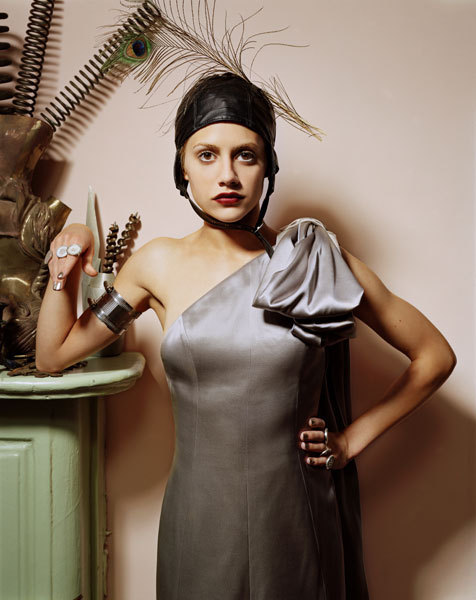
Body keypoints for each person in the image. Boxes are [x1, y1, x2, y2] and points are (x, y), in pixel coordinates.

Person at [36, 72, 456, 599]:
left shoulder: (313, 261)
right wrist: (67, 253)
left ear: (268, 168)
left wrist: (350, 441)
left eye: (246, 156)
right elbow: (53, 355)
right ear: (182, 168)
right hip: (198, 518)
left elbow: (434, 356)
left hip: (297, 517)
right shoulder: (156, 265)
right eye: (207, 155)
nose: (227, 175)